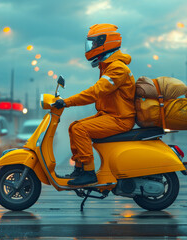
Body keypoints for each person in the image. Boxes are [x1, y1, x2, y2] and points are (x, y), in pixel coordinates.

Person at [52, 23, 136, 186]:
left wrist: (67, 102)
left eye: (95, 43)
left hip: (120, 119)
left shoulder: (117, 68)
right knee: (73, 126)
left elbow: (95, 92)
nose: (92, 47)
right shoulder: (108, 66)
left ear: (107, 42)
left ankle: (89, 172)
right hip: (110, 115)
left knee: (79, 129)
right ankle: (80, 168)